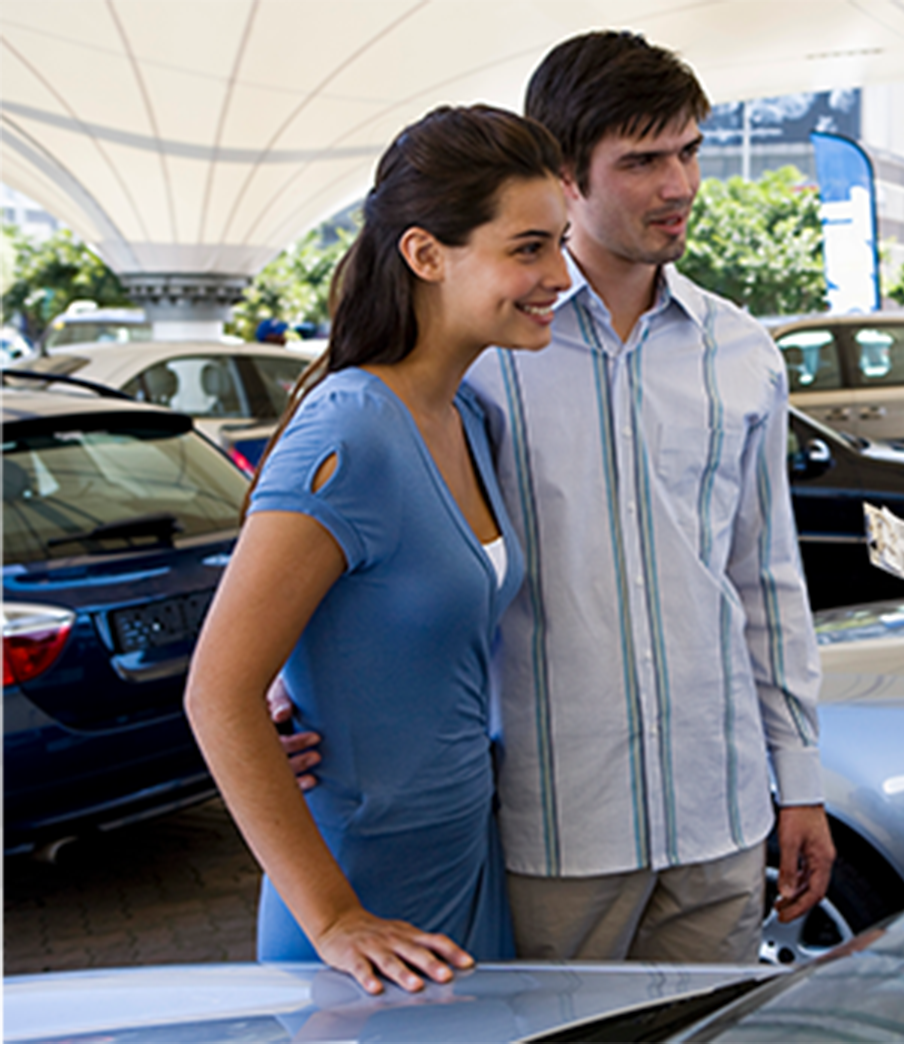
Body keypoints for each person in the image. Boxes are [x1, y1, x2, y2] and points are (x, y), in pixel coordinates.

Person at [464, 30, 833, 962]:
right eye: (641, 161)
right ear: (564, 178)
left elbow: (765, 582)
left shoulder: (742, 351)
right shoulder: (486, 357)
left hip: (720, 814)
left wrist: (799, 781)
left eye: (689, 150)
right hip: (552, 829)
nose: (678, 185)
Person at [186, 104, 570, 993]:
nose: (559, 274)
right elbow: (217, 690)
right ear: (426, 254)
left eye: (558, 243)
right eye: (527, 248)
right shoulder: (351, 431)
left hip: (466, 862)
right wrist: (331, 918)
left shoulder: (466, 414)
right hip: (362, 896)